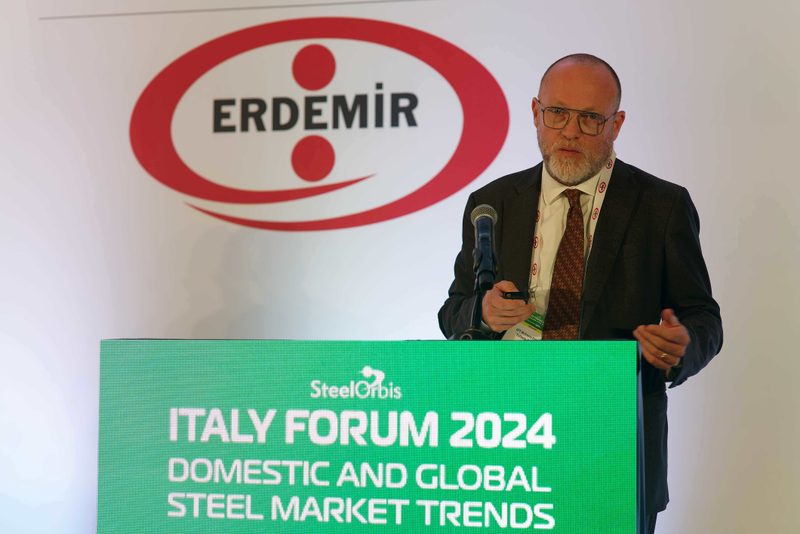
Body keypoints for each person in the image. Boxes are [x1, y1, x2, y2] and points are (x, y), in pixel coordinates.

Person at [438, 53, 723, 533]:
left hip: (614, 445)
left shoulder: (661, 206)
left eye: (590, 118)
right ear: (536, 113)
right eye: (557, 113)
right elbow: (453, 311)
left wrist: (681, 346)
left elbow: (702, 316)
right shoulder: (492, 203)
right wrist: (482, 313)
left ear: (617, 124)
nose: (570, 131)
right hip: (508, 444)